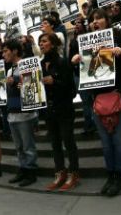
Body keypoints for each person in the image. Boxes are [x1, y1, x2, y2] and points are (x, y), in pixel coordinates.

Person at [83, 8, 121, 197]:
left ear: (107, 20)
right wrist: (77, 59)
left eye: (98, 18)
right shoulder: (86, 43)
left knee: (120, 139)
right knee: (106, 142)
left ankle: (120, 174)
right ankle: (111, 174)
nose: (94, 22)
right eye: (91, 20)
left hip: (119, 95)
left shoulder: (120, 36)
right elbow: (87, 72)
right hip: (98, 99)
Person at [40, 33, 80, 191]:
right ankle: (60, 173)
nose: (41, 44)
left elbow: (72, 91)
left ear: (54, 43)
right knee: (55, 143)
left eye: (44, 41)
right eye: (40, 42)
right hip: (49, 110)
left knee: (68, 142)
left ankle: (74, 173)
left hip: (64, 109)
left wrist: (54, 81)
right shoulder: (40, 65)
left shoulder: (63, 62)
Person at [2, 39, 38, 187]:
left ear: (15, 51)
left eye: (5, 51)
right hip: (12, 111)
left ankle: (31, 172)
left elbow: (33, 85)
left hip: (25, 112)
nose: (3, 54)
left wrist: (16, 81)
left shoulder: (27, 64)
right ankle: (23, 169)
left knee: (28, 145)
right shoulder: (10, 69)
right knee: (18, 146)